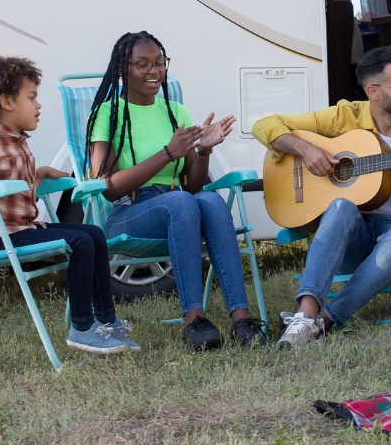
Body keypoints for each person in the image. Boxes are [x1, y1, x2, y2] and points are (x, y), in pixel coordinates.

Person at [252, 45, 391, 347]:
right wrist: (306, 149)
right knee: (340, 204)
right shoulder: (345, 117)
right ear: (373, 92)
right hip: (351, 238)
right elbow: (263, 125)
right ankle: (305, 314)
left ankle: (325, 321)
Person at [0, 55, 140, 355]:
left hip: (21, 229)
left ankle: (107, 322)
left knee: (94, 233)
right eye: (31, 97)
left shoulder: (18, 141)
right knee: (81, 242)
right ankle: (82, 327)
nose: (38, 105)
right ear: (6, 102)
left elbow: (11, 178)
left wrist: (39, 173)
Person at [86, 31, 266, 351]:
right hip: (129, 211)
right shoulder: (108, 114)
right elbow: (109, 188)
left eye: (160, 63)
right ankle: (194, 321)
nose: (154, 71)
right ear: (121, 69)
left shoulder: (175, 112)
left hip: (176, 203)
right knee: (182, 202)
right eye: (143, 64)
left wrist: (205, 151)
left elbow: (192, 185)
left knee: (209, 199)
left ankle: (241, 320)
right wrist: (167, 154)